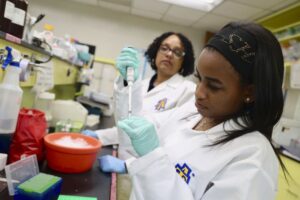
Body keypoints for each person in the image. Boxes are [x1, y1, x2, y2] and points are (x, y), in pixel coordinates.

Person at [104, 21, 286, 200]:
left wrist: (152, 161)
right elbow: (137, 128)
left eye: (213, 86)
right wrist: (128, 86)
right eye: (199, 78)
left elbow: (155, 161)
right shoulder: (193, 112)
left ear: (250, 92)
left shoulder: (252, 157)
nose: (198, 92)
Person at [83, 31, 196, 160]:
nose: (169, 54)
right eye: (164, 48)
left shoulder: (188, 91)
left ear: (184, 61)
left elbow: (171, 138)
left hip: (150, 167)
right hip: (123, 158)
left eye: (177, 52)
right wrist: (99, 136)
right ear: (156, 51)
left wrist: (128, 166)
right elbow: (128, 125)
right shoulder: (140, 84)